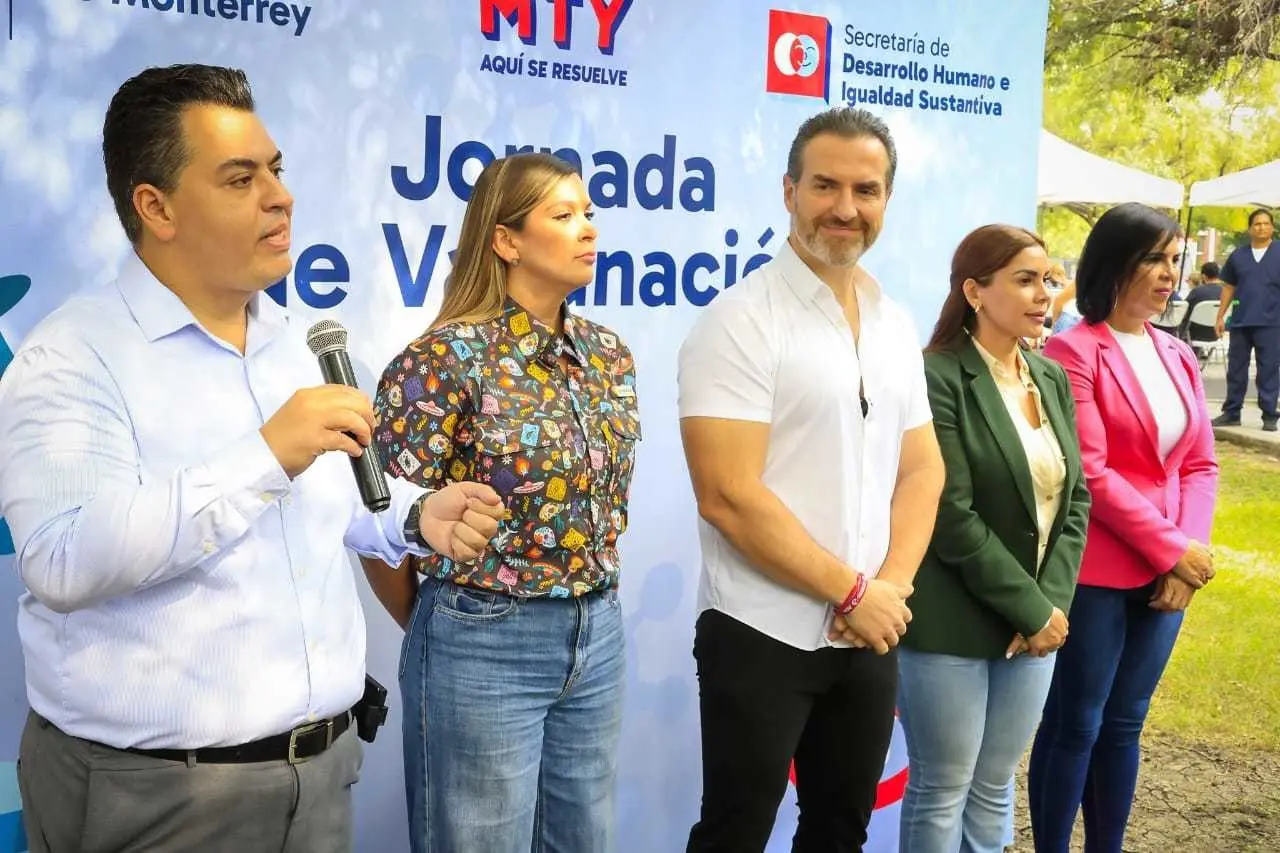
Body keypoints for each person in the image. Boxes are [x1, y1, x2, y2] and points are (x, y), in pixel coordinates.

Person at [0, 64, 504, 853]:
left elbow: (326, 499)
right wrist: (267, 453)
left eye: (276, 169)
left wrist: (410, 514)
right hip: (162, 798)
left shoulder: (297, 341)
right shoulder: (74, 355)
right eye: (240, 178)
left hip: (322, 776)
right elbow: (61, 558)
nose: (280, 196)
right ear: (155, 206)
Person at [676, 107, 946, 853]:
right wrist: (850, 591)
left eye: (867, 189)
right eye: (825, 185)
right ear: (788, 190)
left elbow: (923, 466)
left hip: (867, 634)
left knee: (840, 831)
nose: (845, 208)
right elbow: (727, 493)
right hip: (759, 630)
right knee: (735, 831)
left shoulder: (893, 321)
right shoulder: (738, 321)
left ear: (887, 200)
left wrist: (885, 591)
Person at [365, 152, 639, 853]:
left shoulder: (608, 354)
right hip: (481, 638)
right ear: (506, 239)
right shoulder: (442, 359)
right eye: (563, 214)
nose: (588, 230)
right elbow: (379, 522)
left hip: (597, 631)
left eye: (589, 213)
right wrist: (447, 624)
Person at [1030, 202, 1219, 853]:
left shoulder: (1176, 352)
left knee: (1125, 724)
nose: (1170, 274)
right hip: (1096, 571)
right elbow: (1093, 473)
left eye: (1174, 260)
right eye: (1155, 260)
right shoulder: (1069, 350)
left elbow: (1200, 462)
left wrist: (1185, 555)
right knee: (1076, 724)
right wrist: (1174, 548)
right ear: (1115, 264)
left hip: (1168, 573)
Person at [897, 225, 1090, 853]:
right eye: (1025, 280)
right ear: (975, 292)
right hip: (951, 620)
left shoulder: (1049, 376)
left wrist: (1049, 608)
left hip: (1035, 626)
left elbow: (1074, 500)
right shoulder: (937, 375)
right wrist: (1029, 608)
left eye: (1049, 281)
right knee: (943, 786)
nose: (1043, 295)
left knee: (994, 785)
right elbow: (950, 513)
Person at [1213, 208, 1279, 430]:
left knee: (1268, 369)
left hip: (1272, 322)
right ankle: (1232, 412)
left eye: (1265, 223)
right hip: (1241, 321)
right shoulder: (1238, 256)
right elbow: (1229, 287)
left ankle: (1269, 415)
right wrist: (1220, 316)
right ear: (1250, 228)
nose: (1261, 227)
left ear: (1272, 227)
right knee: (1236, 369)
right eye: (1257, 224)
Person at [1177, 261, 1224, 339]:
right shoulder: (1225, 293)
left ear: (1204, 276)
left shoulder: (1197, 291)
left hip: (1194, 334)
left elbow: (1183, 310)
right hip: (1216, 333)